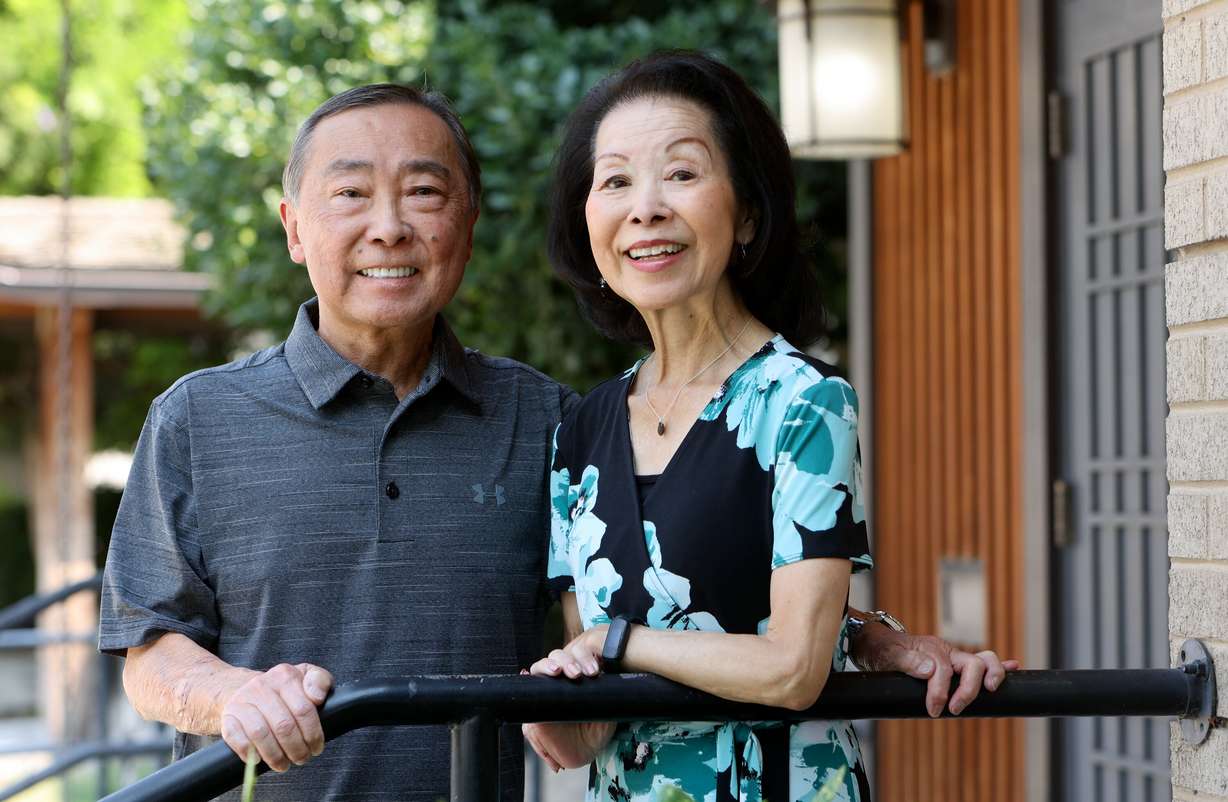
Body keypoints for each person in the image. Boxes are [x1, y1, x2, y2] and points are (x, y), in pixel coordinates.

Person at [100, 82, 1010, 802]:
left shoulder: (546, 420)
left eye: (424, 192)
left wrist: (872, 640)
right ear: (295, 225)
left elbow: (662, 577)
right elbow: (149, 650)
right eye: (349, 194)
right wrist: (234, 697)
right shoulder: (197, 417)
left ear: (466, 224)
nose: (389, 226)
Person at [522, 51, 1013, 802]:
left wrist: (616, 642)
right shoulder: (578, 434)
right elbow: (594, 728)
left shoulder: (804, 402)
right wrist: (559, 704)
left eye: (682, 174)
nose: (645, 207)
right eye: (615, 180)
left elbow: (793, 668)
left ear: (747, 210)